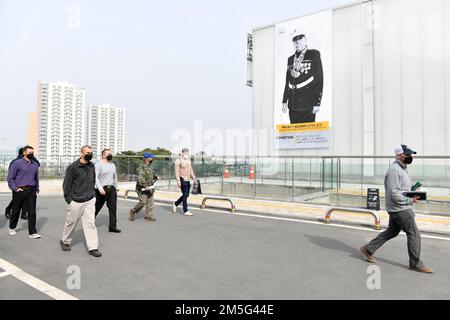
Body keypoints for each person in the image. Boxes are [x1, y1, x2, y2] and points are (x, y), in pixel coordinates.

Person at [360, 145, 433, 274]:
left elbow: (400, 189)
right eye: (407, 155)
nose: (410, 157)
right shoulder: (395, 170)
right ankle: (415, 263)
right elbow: (394, 193)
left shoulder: (402, 169)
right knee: (414, 234)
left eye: (411, 155)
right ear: (399, 155)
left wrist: (412, 191)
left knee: (392, 231)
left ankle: (368, 249)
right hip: (400, 209)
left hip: (397, 207)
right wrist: (410, 200)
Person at [60, 145, 102, 257]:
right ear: (81, 153)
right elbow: (66, 185)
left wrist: (93, 195)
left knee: (90, 224)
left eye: (91, 152)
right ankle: (65, 241)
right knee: (71, 223)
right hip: (76, 201)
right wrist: (69, 200)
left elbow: (93, 180)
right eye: (87, 152)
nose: (90, 154)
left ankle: (93, 248)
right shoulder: (73, 167)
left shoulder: (92, 166)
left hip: (90, 200)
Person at [282, 34, 323, 124]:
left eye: (300, 39)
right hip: (293, 103)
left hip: (307, 103)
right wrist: (285, 100)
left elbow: (319, 79)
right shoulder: (290, 59)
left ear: (305, 40)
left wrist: (317, 103)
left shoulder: (313, 54)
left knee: (307, 134)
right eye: (295, 41)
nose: (297, 43)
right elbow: (287, 81)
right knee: (294, 134)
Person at [7, 146, 41, 239]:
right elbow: (10, 178)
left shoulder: (34, 164)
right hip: (19, 190)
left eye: (32, 152)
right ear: (24, 153)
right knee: (16, 210)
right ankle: (12, 227)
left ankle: (32, 232)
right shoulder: (16, 163)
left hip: (31, 190)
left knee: (32, 212)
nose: (32, 154)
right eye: (30, 152)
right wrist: (15, 188)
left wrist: (37, 188)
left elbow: (36, 177)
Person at [94, 149, 121, 233]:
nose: (110, 155)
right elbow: (95, 177)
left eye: (111, 154)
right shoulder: (98, 165)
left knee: (113, 208)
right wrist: (100, 188)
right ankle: (89, 223)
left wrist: (116, 187)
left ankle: (112, 227)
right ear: (103, 155)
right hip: (102, 189)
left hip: (111, 189)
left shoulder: (112, 165)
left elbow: (114, 177)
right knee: (96, 208)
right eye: (108, 154)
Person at [129, 153, 160, 222]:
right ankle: (133, 211)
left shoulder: (150, 166)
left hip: (150, 187)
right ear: (147, 158)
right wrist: (145, 185)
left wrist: (156, 177)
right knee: (143, 202)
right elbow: (140, 178)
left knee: (150, 202)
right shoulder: (141, 167)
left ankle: (148, 216)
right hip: (142, 188)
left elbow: (152, 175)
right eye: (151, 158)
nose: (152, 159)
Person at [172, 148, 197, 216]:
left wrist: (194, 178)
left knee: (186, 195)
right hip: (181, 178)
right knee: (185, 194)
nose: (187, 155)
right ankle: (185, 210)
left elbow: (190, 170)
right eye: (186, 153)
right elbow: (176, 172)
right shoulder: (178, 160)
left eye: (188, 153)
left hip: (188, 179)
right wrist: (178, 181)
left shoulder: (188, 161)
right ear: (182, 153)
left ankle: (175, 203)